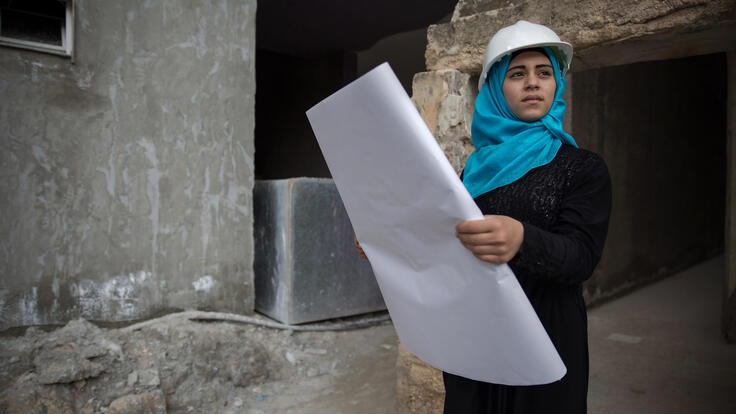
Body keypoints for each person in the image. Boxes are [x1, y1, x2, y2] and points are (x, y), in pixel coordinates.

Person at [444, 20, 612, 413]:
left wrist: (523, 239)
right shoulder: (472, 169)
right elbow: (447, 239)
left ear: (557, 86)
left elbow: (582, 257)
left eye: (544, 73)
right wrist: (387, 240)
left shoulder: (583, 168)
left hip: (547, 334)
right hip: (477, 335)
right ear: (496, 89)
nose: (532, 83)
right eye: (517, 74)